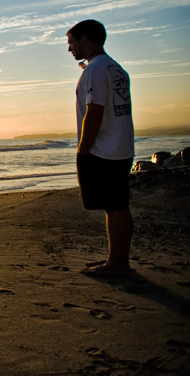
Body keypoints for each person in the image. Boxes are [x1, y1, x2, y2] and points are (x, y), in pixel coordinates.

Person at [67, 19, 134, 277]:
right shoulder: (115, 68)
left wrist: (83, 151)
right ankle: (118, 260)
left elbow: (94, 113)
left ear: (85, 39)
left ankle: (117, 264)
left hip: (103, 150)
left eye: (71, 42)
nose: (70, 49)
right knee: (117, 205)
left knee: (115, 207)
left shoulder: (95, 70)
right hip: (121, 146)